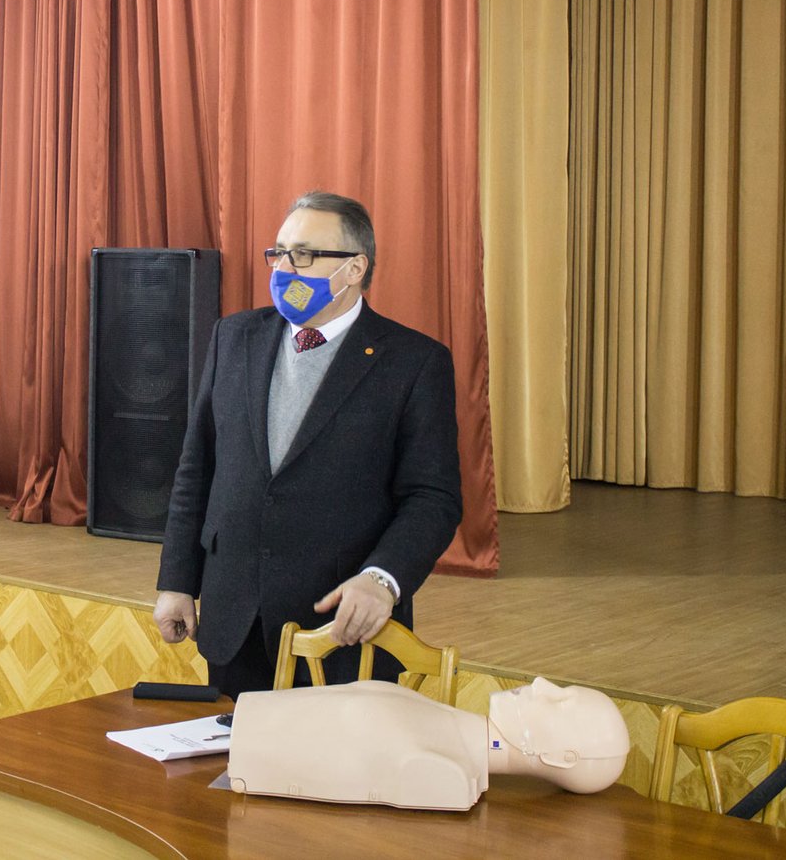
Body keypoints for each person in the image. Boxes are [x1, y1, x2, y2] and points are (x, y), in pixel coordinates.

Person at [154, 191, 463, 697]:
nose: (283, 268)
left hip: (342, 629)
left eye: (303, 254)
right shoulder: (234, 337)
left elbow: (433, 498)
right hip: (236, 622)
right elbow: (198, 468)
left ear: (354, 268)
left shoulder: (414, 362)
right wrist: (177, 580)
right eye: (278, 252)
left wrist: (382, 579)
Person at [227, 677, 631, 809]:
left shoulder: (445, 768)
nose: (541, 684)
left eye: (560, 701)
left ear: (561, 757)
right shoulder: (438, 723)